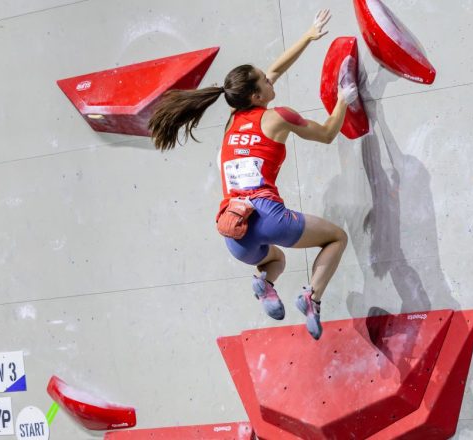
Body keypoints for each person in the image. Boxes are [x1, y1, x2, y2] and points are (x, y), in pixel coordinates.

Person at [148, 9, 357, 340]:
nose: (270, 76)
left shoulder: (234, 114)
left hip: (234, 232)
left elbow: (275, 68)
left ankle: (265, 284)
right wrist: (343, 99)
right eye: (264, 79)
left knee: (275, 260)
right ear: (258, 96)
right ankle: (311, 297)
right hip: (269, 215)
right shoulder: (278, 116)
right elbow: (328, 133)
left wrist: (308, 35)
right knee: (336, 238)